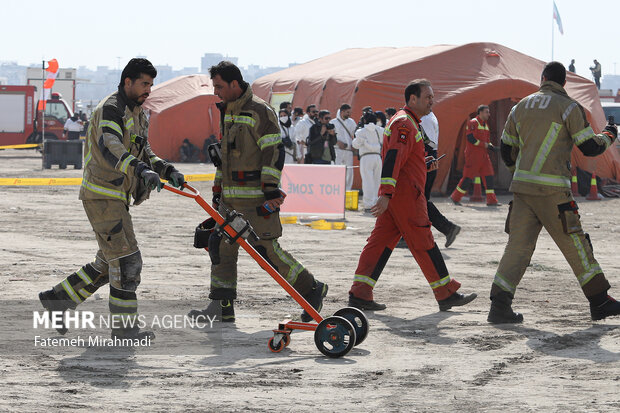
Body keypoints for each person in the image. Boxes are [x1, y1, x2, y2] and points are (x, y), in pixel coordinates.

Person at [38, 58, 186, 339]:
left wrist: (166, 169)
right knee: (128, 262)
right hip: (102, 195)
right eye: (144, 84)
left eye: (151, 85)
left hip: (116, 197)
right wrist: (140, 169)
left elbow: (144, 151)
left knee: (108, 263)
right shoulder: (112, 108)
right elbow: (111, 147)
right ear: (127, 82)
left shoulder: (138, 112)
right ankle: (124, 330)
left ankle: (58, 299)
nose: (149, 90)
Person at [189, 61, 328, 323]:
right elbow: (226, 156)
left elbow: (273, 152)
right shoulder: (228, 111)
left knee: (266, 249)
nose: (216, 92)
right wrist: (218, 189)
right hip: (230, 201)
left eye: (219, 86)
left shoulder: (260, 112)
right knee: (221, 247)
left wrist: (270, 190)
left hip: (255, 200)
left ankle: (312, 288)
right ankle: (221, 306)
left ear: (234, 84)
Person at [487, 61, 620, 323]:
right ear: (563, 83)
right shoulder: (569, 107)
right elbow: (589, 147)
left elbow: (505, 148)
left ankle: (499, 306)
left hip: (523, 191)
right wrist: (609, 135)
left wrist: (518, 171)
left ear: (543, 78)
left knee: (517, 247)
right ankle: (600, 301)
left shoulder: (520, 107)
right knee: (575, 244)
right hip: (554, 192)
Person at [347, 79, 477, 311]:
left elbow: (403, 158)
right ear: (412, 99)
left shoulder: (408, 122)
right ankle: (445, 292)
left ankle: (361, 292)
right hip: (406, 196)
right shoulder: (405, 124)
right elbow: (394, 158)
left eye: (432, 97)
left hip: (400, 194)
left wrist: (423, 163)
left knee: (379, 243)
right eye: (428, 97)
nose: (432, 101)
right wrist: (386, 192)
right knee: (423, 241)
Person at [420, 111, 461, 248]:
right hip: (426, 160)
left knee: (419, 200)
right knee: (418, 201)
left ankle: (447, 228)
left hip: (426, 161)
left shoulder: (425, 119)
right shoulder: (427, 117)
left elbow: (427, 144)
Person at [450, 105, 499, 206]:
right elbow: (470, 139)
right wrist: (484, 144)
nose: (489, 114)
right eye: (486, 112)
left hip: (484, 157)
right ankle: (455, 197)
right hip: (473, 157)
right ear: (480, 112)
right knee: (467, 178)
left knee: (489, 177)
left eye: (489, 112)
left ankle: (491, 200)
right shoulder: (473, 123)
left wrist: (491, 146)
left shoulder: (485, 125)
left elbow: (487, 141)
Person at [352, 111, 383, 211]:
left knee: (367, 181)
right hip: (378, 157)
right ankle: (376, 202)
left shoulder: (361, 131)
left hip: (366, 157)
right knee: (377, 181)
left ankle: (368, 204)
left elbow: (355, 145)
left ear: (365, 120)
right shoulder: (380, 130)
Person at [330, 104, 357, 189]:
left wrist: (354, 145)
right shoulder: (333, 122)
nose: (349, 114)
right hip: (337, 149)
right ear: (342, 112)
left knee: (349, 171)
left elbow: (355, 135)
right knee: (336, 169)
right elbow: (330, 136)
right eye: (347, 112)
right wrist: (338, 142)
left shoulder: (351, 122)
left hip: (348, 151)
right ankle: (335, 188)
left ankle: (347, 189)